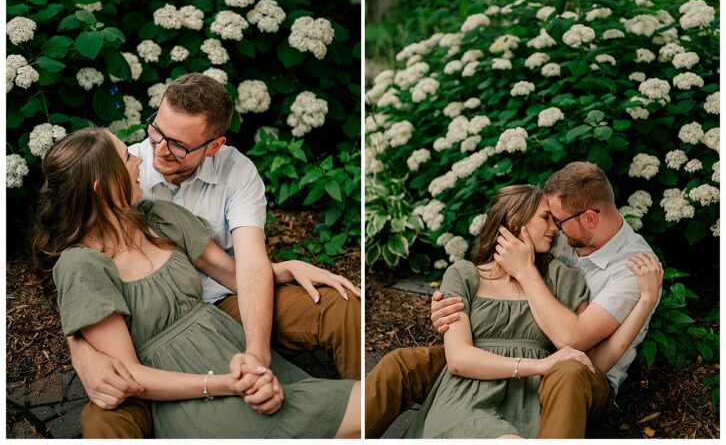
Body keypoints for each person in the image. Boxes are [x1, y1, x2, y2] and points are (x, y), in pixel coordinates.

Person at [68, 73, 361, 438]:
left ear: (213, 146)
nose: (157, 150)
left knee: (342, 304)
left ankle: (354, 420)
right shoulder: (124, 173)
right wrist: (81, 351)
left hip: (223, 302)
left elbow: (247, 266)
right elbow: (72, 271)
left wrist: (257, 354)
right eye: (156, 131)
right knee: (101, 420)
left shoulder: (236, 171)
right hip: (141, 324)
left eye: (178, 145)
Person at [366, 163, 662, 439]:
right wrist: (447, 311)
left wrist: (524, 271)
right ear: (516, 224)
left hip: (567, 377)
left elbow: (579, 348)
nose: (555, 228)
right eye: (548, 218)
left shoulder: (629, 268)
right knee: (402, 363)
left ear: (589, 218)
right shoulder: (479, 269)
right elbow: (459, 354)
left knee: (567, 372)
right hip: (484, 367)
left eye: (557, 220)